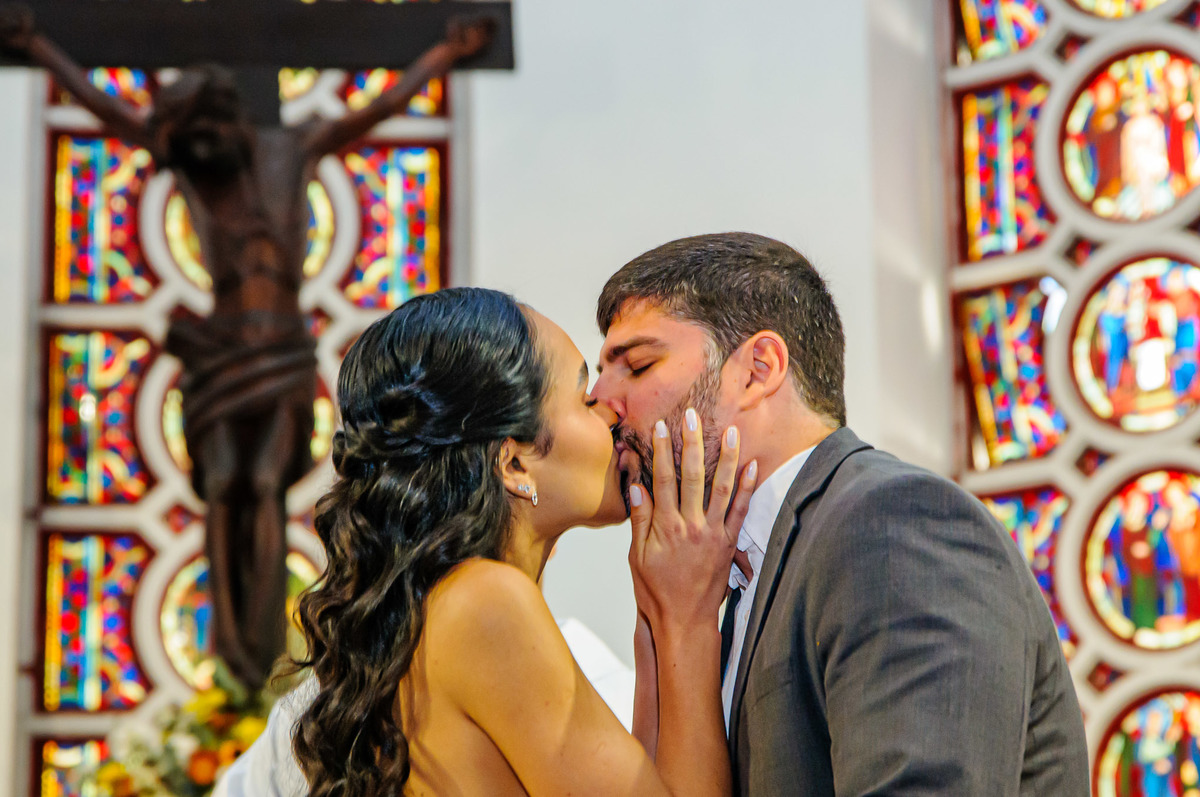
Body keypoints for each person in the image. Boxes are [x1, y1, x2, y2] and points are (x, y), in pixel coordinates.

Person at [590, 232, 1091, 794]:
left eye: (636, 366)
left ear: (758, 369)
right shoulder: (715, 583)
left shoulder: (894, 522)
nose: (599, 402)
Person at [286, 287, 756, 795]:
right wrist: (688, 620)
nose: (613, 413)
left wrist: (659, 619)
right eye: (584, 398)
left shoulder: (441, 602)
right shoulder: (485, 602)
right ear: (512, 463)